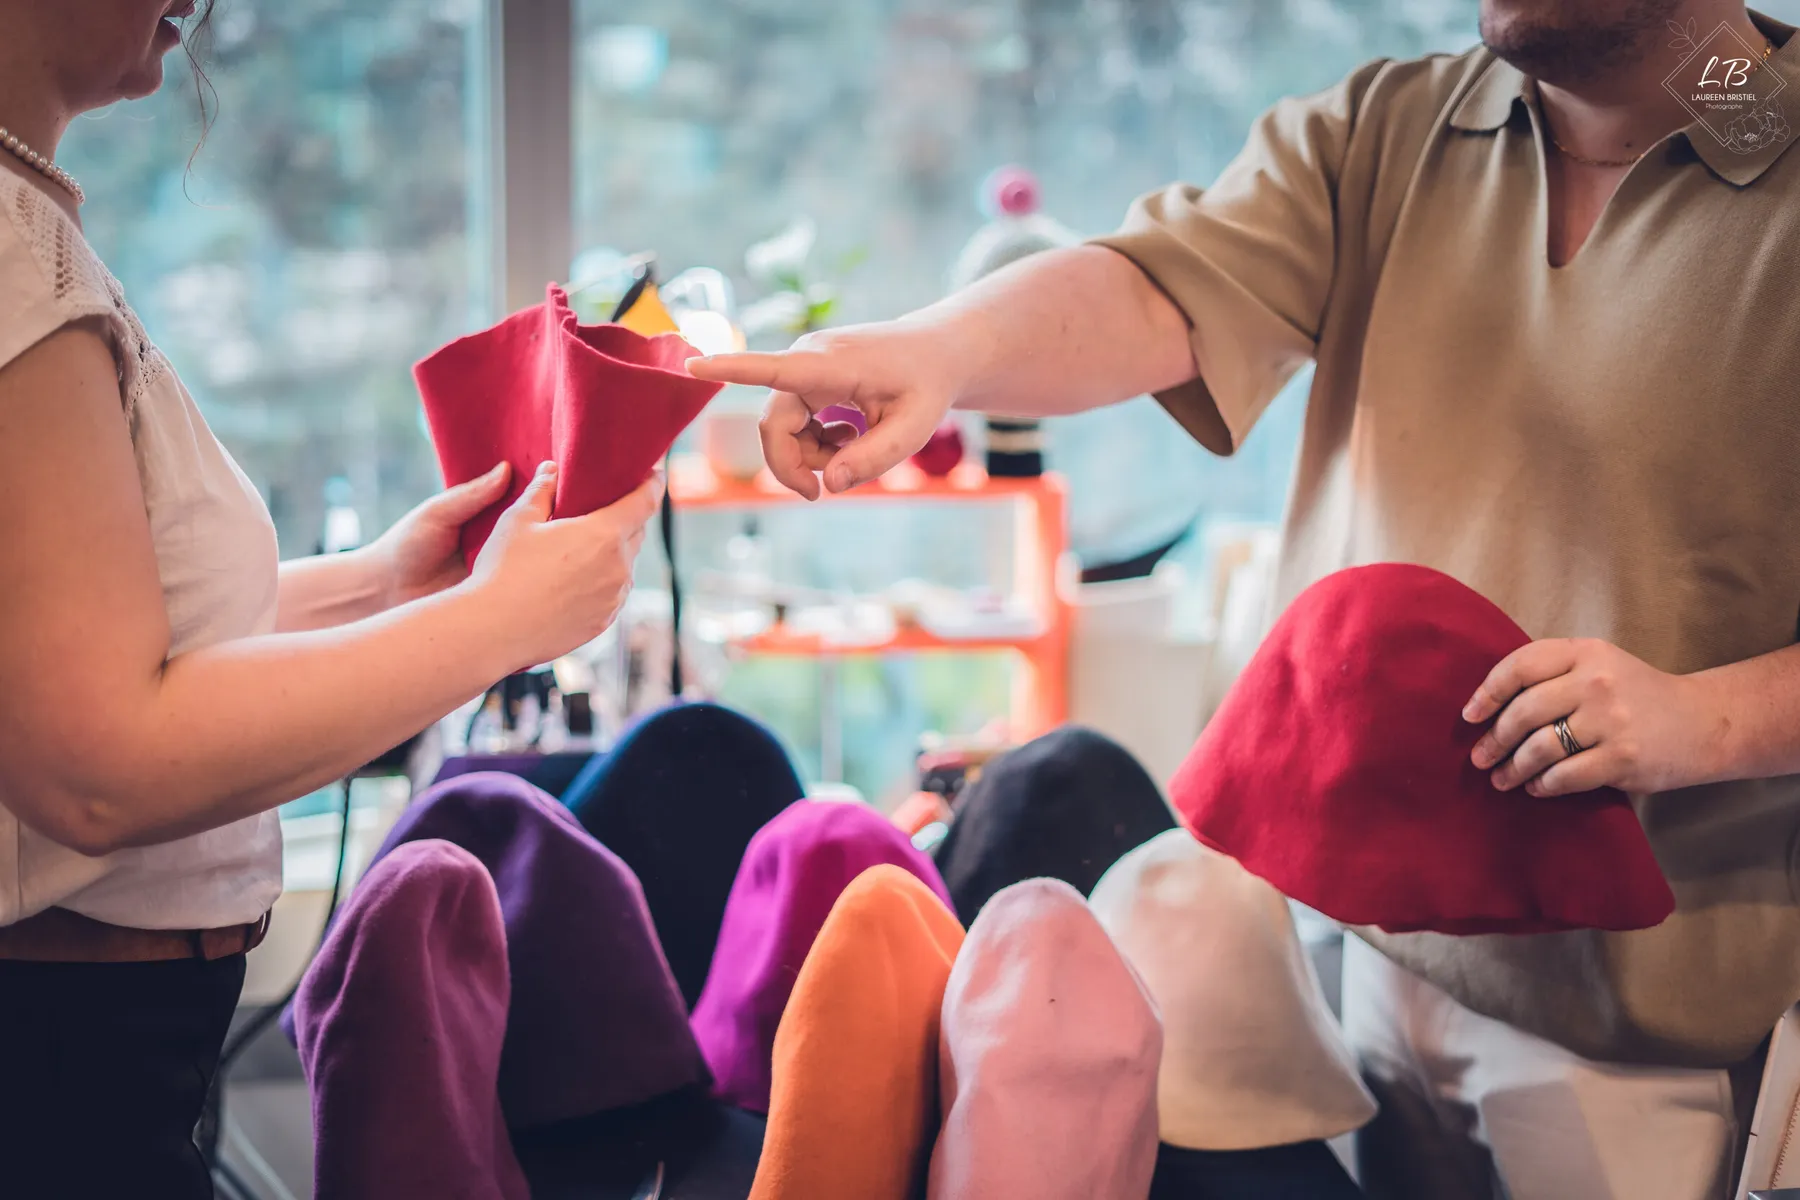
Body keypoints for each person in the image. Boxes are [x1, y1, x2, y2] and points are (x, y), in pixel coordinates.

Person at [689, 2, 1800, 1196]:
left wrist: (1702, 721)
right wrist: (940, 351)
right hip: (1368, 952)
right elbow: (1160, 289)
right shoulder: (1400, 127)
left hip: (1641, 1019)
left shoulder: (1774, 161)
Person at [0, 3, 659, 1195]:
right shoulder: (6, 248)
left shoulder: (27, 223)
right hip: (58, 1062)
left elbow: (107, 644)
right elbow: (97, 765)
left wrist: (387, 586)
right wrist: (497, 623)